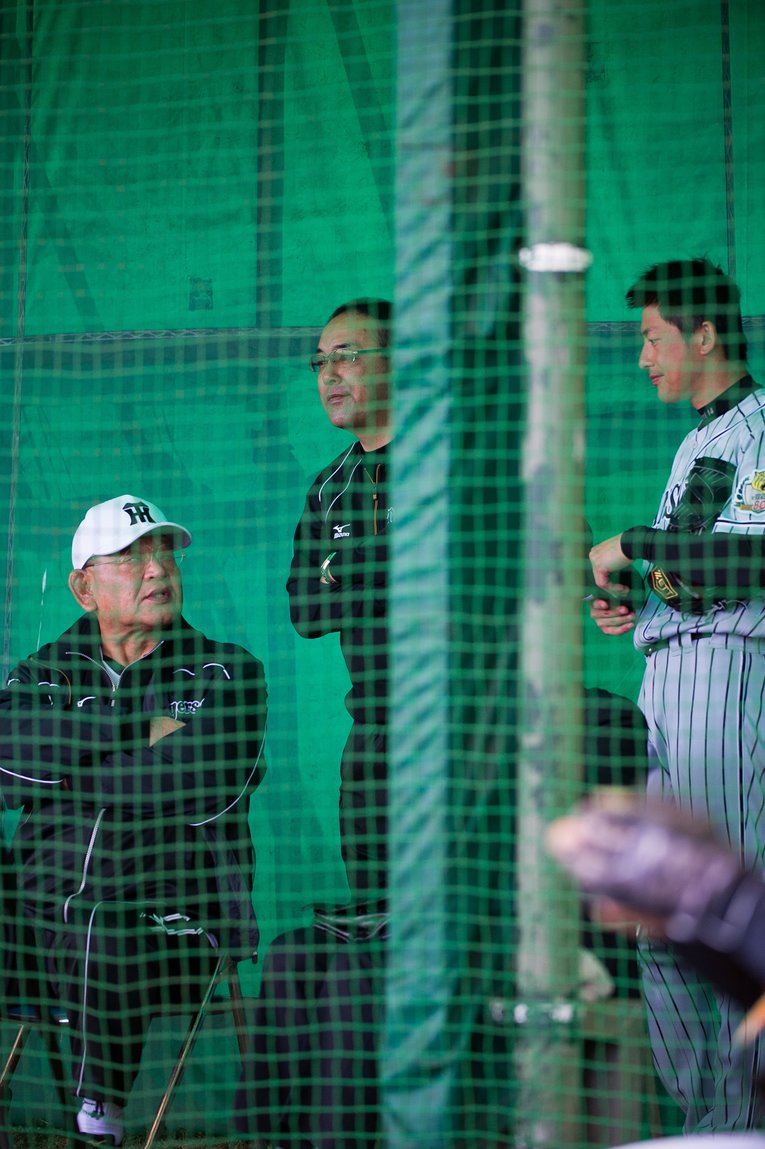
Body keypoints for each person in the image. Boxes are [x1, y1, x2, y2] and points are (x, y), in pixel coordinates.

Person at [0, 494, 267, 1146]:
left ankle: (99, 1117)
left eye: (163, 552)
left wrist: (68, 770)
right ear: (83, 587)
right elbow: (8, 761)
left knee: (101, 919)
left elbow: (199, 777)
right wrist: (135, 729)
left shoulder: (227, 671)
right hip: (36, 917)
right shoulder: (42, 672)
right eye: (130, 556)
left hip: (171, 915)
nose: (156, 570)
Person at [587, 258, 765, 1131]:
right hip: (669, 677)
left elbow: (748, 560)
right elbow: (682, 562)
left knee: (718, 910)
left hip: (730, 679)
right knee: (656, 920)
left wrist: (625, 544)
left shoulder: (760, 427)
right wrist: (632, 593)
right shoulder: (694, 439)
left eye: (653, 337)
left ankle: (743, 1119)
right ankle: (706, 1119)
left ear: (704, 334)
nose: (643, 356)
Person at [235, 299, 392, 1147]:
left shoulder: (453, 463)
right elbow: (304, 607)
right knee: (370, 938)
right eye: (320, 361)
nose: (330, 375)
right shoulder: (330, 481)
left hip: (465, 746)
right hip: (369, 747)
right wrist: (378, 577)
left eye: (348, 356)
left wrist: (353, 581)